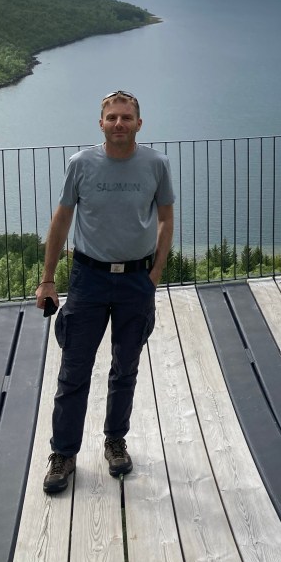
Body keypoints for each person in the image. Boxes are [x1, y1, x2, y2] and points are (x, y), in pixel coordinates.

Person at [35, 91, 174, 494]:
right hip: (88, 279)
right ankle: (63, 453)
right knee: (74, 370)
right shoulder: (80, 164)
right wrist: (48, 278)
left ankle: (115, 441)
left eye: (126, 117)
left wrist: (155, 272)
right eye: (112, 117)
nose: (119, 124)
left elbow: (166, 219)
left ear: (139, 123)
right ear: (101, 123)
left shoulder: (157, 164)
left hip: (136, 280)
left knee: (125, 367)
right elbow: (62, 219)